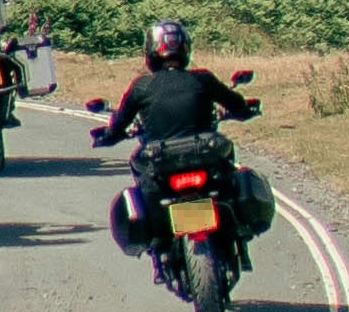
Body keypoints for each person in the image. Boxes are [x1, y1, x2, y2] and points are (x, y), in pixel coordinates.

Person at [90, 13, 261, 261]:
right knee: (228, 164)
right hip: (206, 151)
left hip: (160, 159)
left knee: (141, 172)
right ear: (185, 49)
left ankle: (159, 239)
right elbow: (237, 104)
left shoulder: (142, 86)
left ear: (150, 52)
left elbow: (117, 125)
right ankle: (236, 226)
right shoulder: (202, 79)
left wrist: (108, 135)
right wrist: (245, 110)